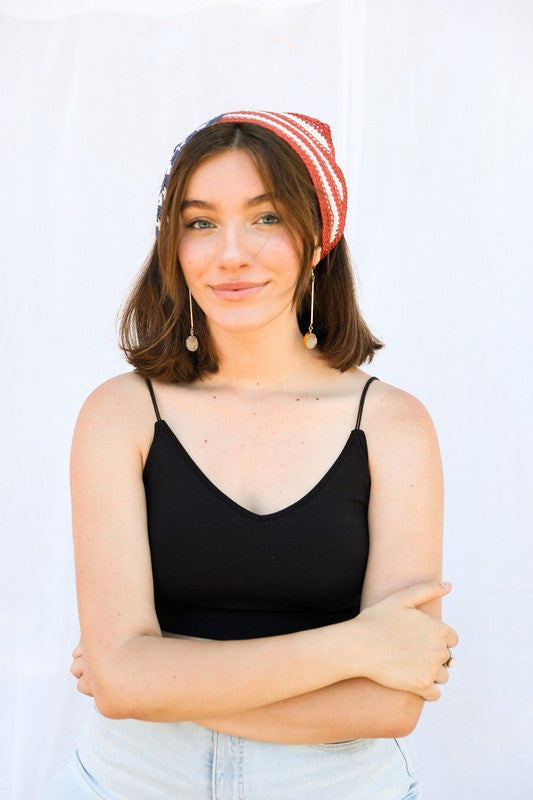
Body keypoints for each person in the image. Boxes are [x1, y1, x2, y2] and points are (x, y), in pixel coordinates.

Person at [43, 111, 458, 800]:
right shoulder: (120, 414)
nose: (230, 253)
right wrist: (354, 648)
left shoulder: (392, 425)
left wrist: (154, 682)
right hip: (130, 777)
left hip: (339, 781)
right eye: (199, 222)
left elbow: (389, 706)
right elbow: (118, 686)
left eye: (265, 218)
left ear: (317, 237)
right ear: (173, 246)